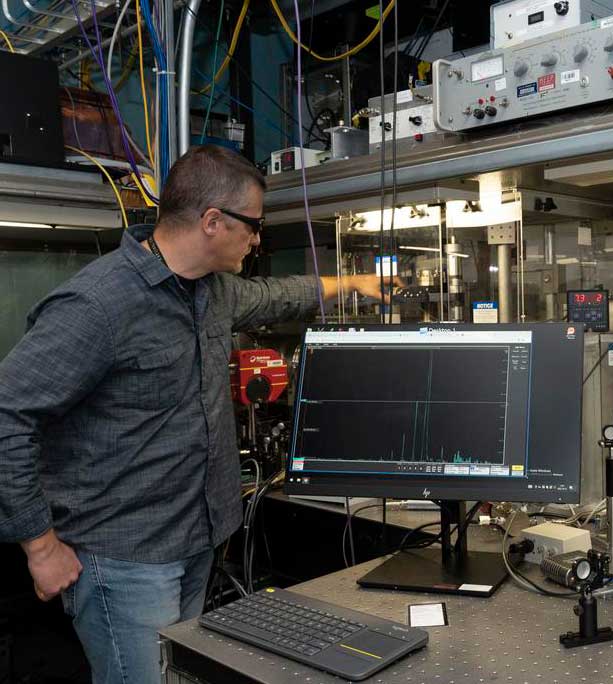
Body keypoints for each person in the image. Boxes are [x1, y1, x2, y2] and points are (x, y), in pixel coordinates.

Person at [0, 145, 394, 684]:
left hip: (198, 541)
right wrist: (40, 546)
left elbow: (274, 297)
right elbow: (7, 416)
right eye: (252, 226)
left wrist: (349, 284)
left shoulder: (211, 292)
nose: (257, 240)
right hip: (125, 558)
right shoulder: (98, 306)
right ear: (212, 221)